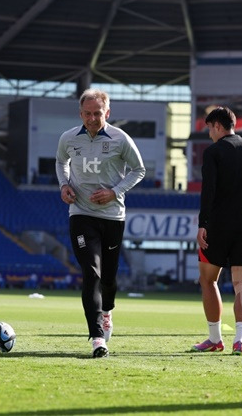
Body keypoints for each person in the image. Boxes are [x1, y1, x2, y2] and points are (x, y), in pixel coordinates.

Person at [56, 89, 145, 358]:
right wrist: (64, 185)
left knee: (108, 278)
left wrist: (115, 191)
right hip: (81, 214)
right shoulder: (68, 138)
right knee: (91, 272)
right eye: (87, 113)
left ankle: (107, 312)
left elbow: (139, 170)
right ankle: (97, 337)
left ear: (107, 113)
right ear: (80, 113)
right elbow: (62, 161)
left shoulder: (121, 139)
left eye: (97, 113)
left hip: (112, 216)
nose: (92, 118)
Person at [191, 106, 242, 356]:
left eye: (209, 128)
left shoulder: (214, 152)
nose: (209, 134)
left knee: (208, 279)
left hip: (219, 224)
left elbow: (208, 190)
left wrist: (203, 223)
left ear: (218, 126)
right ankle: (240, 340)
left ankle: (215, 339)